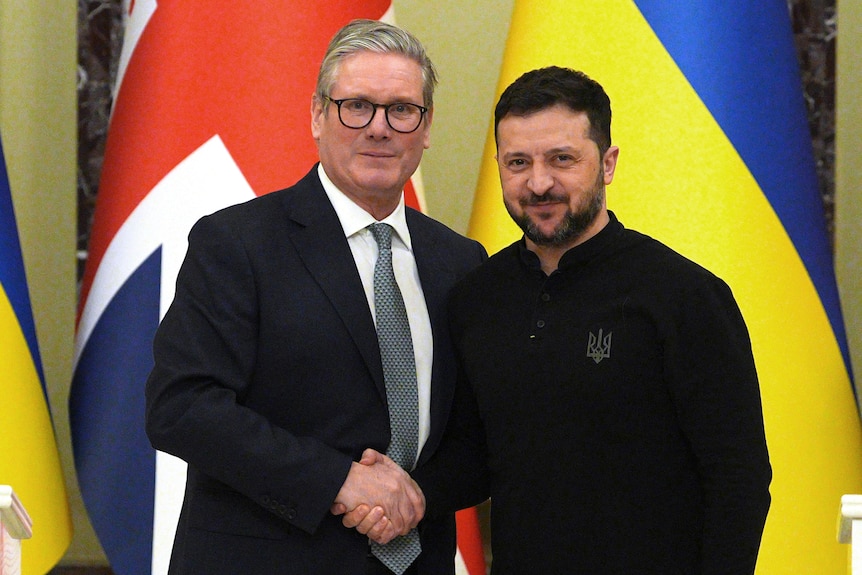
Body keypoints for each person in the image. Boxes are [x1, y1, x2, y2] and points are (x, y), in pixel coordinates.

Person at [346, 66, 772, 573]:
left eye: (562, 160)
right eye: (518, 162)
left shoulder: (685, 296)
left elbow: (738, 477)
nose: (539, 182)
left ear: (608, 163)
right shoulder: (475, 297)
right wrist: (404, 493)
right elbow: (477, 455)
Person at [144, 19, 486, 575]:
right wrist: (341, 480)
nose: (379, 128)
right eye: (356, 105)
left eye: (402, 110)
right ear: (317, 116)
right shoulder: (237, 243)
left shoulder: (460, 262)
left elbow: (476, 431)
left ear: (426, 129)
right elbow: (181, 408)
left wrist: (413, 497)